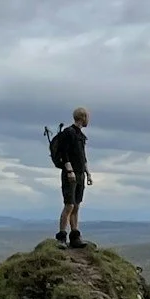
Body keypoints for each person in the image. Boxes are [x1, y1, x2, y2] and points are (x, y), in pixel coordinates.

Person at [49, 106, 91, 247]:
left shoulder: (80, 136)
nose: (88, 120)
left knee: (76, 205)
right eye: (87, 117)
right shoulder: (69, 133)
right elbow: (64, 152)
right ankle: (61, 237)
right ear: (82, 117)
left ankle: (74, 237)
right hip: (71, 174)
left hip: (80, 173)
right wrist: (69, 170)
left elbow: (82, 157)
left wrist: (87, 173)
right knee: (69, 205)